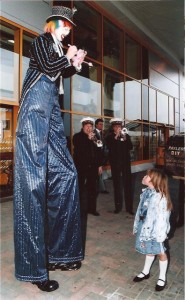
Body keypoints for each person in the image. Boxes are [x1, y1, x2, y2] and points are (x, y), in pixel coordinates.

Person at [13, 5, 87, 292]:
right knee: (33, 184)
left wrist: (74, 63)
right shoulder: (41, 41)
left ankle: (60, 253)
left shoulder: (57, 47)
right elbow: (46, 67)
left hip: (52, 110)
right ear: (54, 23)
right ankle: (33, 269)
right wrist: (67, 57)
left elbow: (59, 72)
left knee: (66, 174)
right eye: (65, 25)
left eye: (70, 27)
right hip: (34, 109)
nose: (68, 30)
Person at [133, 169, 173, 292]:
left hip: (156, 231)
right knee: (148, 249)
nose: (144, 177)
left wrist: (160, 236)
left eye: (147, 176)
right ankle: (146, 271)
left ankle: (162, 277)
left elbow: (163, 219)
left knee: (160, 252)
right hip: (144, 227)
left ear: (153, 181)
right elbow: (140, 210)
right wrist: (136, 226)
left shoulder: (160, 198)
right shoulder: (146, 192)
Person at [73, 117, 103, 217]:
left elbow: (99, 152)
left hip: (93, 167)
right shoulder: (77, 137)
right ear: (83, 127)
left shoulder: (95, 137)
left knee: (92, 189)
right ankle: (80, 210)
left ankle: (92, 209)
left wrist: (99, 165)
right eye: (87, 126)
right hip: (81, 167)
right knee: (80, 189)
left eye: (91, 126)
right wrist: (88, 139)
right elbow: (80, 149)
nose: (89, 128)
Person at [105, 118, 134, 214]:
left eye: (119, 126)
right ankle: (118, 207)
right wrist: (117, 136)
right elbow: (109, 146)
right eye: (116, 126)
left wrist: (125, 138)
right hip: (115, 165)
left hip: (125, 164)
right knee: (117, 185)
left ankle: (129, 208)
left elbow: (130, 147)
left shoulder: (126, 135)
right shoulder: (109, 137)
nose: (118, 128)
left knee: (128, 185)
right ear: (113, 128)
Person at [94, 118, 109, 194]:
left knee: (99, 173)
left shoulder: (102, 133)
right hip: (96, 157)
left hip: (101, 157)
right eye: (100, 124)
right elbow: (97, 146)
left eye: (102, 124)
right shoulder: (94, 133)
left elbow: (103, 145)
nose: (101, 126)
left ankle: (100, 188)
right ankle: (102, 189)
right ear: (96, 125)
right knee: (98, 173)